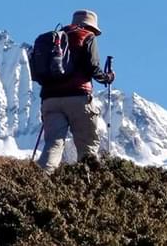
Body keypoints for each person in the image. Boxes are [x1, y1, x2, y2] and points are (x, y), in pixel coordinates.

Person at [36, 10, 115, 174]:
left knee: (54, 143)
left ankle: (40, 180)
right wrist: (106, 78)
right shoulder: (87, 36)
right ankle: (85, 184)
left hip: (50, 99)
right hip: (78, 97)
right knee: (88, 144)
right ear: (90, 26)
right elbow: (92, 67)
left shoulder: (55, 39)